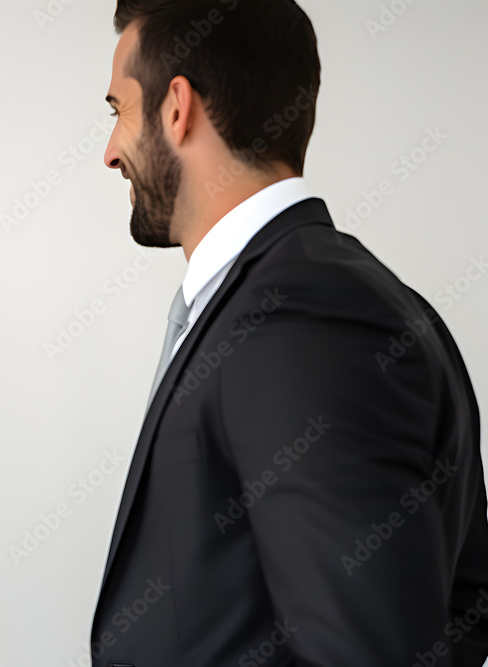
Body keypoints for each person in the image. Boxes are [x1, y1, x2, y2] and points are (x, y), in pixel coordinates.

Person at [91, 1, 488, 665]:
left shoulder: (303, 319)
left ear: (177, 107)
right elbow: (467, 602)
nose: (110, 152)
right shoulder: (341, 298)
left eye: (117, 110)